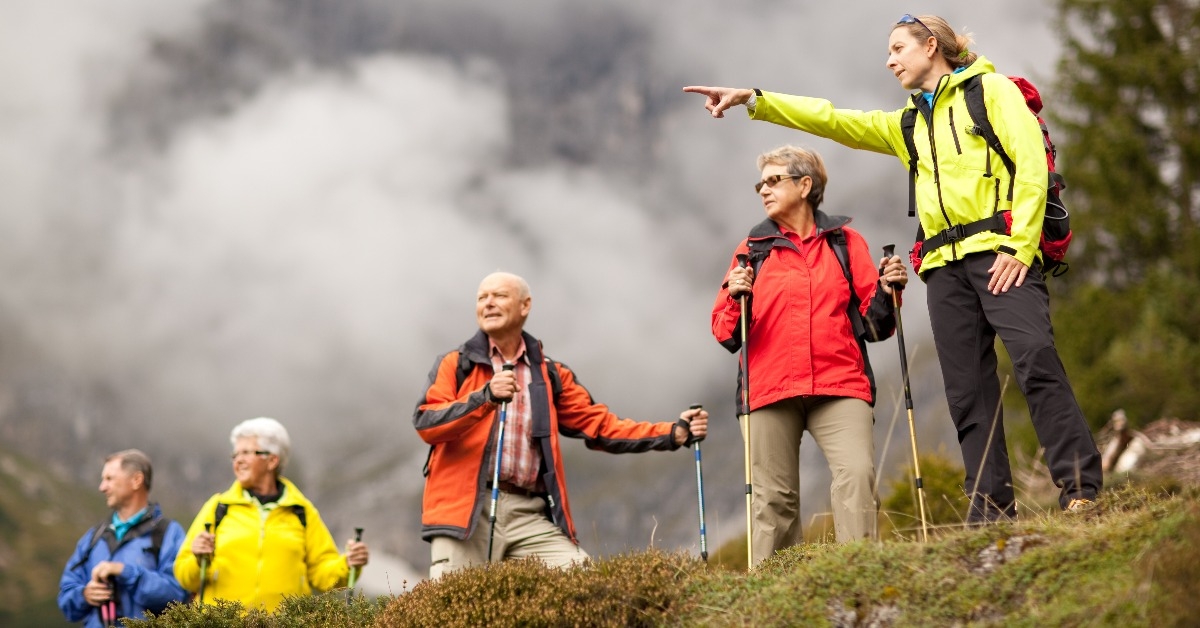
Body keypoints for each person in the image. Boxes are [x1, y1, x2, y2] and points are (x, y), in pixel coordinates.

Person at [683, 13, 1102, 522]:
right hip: (944, 268)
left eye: (898, 48)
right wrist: (754, 98)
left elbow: (1032, 167)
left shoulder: (991, 91)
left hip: (1001, 252)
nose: (889, 60)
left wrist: (1019, 247)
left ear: (931, 46)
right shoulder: (907, 124)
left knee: (1036, 360)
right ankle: (990, 509)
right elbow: (833, 119)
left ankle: (1080, 488)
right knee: (967, 390)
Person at [413, 271, 708, 578]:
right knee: (458, 611)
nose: (488, 304)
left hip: (528, 513)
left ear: (525, 305)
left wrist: (673, 433)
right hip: (466, 514)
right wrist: (484, 397)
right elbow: (426, 423)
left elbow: (601, 426)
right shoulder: (455, 364)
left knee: (582, 578)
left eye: (499, 296)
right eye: (481, 298)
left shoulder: (550, 374)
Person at [713, 145, 905, 562]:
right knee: (773, 502)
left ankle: (859, 577)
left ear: (805, 185)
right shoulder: (752, 249)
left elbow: (877, 325)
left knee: (856, 474)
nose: (763, 189)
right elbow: (725, 333)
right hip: (769, 390)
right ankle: (772, 603)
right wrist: (735, 295)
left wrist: (889, 290)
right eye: (759, 183)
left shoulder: (845, 242)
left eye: (773, 180)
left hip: (841, 384)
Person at [174, 417, 369, 612]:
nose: (238, 460)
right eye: (235, 454)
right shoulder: (218, 507)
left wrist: (348, 564)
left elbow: (324, 576)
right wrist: (198, 559)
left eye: (246, 452)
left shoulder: (301, 511)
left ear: (272, 460)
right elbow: (183, 575)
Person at [58, 449, 189, 627]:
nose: (102, 487)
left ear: (136, 480)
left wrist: (126, 572)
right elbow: (66, 598)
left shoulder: (168, 533)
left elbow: (177, 596)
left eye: (109, 479)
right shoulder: (93, 538)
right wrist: (84, 595)